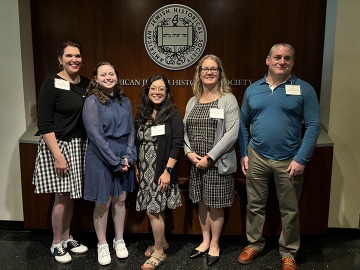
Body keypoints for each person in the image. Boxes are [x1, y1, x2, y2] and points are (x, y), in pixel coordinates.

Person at [237, 43, 321, 270]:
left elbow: (314, 126)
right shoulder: (253, 89)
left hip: (289, 160)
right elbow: (243, 124)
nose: (281, 61)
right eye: (277, 57)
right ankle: (254, 244)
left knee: (290, 210)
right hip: (257, 157)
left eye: (286, 58)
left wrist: (301, 158)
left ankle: (288, 252)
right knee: (254, 205)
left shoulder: (304, 89)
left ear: (293, 62)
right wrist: (244, 154)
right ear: (268, 60)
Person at [32, 40, 90, 263]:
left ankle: (66, 237)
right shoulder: (51, 83)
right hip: (58, 146)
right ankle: (56, 242)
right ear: (60, 59)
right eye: (69, 56)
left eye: (77, 56)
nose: (74, 59)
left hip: (78, 146)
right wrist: (58, 156)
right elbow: (45, 123)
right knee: (61, 197)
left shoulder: (84, 83)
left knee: (71, 195)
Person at [183, 54, 240, 266]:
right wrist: (189, 153)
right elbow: (185, 131)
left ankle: (215, 243)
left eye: (213, 69)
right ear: (199, 73)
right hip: (196, 163)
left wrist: (209, 157)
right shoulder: (192, 101)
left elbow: (232, 133)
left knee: (215, 205)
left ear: (220, 73)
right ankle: (205, 240)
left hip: (217, 163)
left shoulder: (228, 99)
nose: (209, 72)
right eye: (205, 69)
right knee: (201, 202)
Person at [82, 61, 136, 266]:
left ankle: (119, 240)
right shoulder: (92, 102)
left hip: (123, 155)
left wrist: (129, 157)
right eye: (103, 74)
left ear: (116, 76)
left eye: (111, 73)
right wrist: (115, 161)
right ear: (95, 78)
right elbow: (96, 136)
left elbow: (131, 131)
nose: (108, 77)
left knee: (121, 199)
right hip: (101, 157)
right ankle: (102, 244)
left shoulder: (125, 100)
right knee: (102, 202)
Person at [134, 74, 183, 270]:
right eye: (153, 88)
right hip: (144, 168)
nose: (157, 92)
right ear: (147, 91)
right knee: (154, 209)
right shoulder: (143, 112)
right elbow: (137, 141)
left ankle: (160, 253)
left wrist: (167, 171)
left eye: (161, 89)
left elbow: (176, 144)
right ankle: (160, 243)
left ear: (167, 92)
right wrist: (137, 165)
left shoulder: (172, 113)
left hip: (159, 170)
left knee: (154, 211)